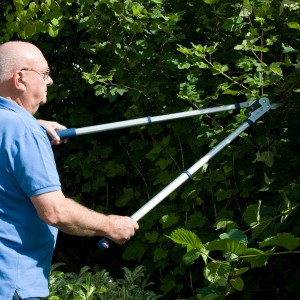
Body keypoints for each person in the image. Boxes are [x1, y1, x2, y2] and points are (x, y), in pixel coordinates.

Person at [0, 41, 139, 300]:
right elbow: (55, 211)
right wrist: (110, 224)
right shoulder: (23, 131)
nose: (50, 81)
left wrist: (31, 122)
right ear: (19, 78)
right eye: (43, 74)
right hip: (12, 284)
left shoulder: (16, 126)